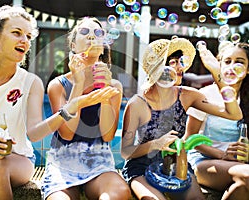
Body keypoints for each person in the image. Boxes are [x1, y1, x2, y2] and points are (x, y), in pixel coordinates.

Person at [0, 6, 121, 200]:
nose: (24, 41)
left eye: (28, 36)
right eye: (17, 33)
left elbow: (34, 133)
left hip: (16, 158)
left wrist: (74, 105)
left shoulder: (31, 82)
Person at [120, 37, 243, 200]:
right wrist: (156, 144)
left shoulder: (187, 95)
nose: (180, 67)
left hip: (177, 164)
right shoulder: (137, 103)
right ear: (157, 67)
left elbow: (233, 114)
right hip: (141, 167)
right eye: (172, 62)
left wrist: (216, 71)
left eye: (181, 61)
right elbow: (125, 152)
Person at [42, 17, 131, 200]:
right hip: (62, 162)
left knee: (119, 193)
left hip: (99, 162)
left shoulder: (114, 86)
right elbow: (67, 134)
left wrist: (105, 91)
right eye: (84, 32)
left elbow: (107, 136)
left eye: (98, 33)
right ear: (73, 46)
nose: (92, 35)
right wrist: (79, 82)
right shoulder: (58, 85)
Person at [186, 41, 249, 200]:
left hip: (238, 165)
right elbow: (189, 139)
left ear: (248, 70)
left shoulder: (246, 99)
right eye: (227, 61)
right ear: (218, 65)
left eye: (239, 62)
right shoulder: (204, 95)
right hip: (204, 162)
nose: (232, 66)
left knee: (242, 188)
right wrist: (222, 155)